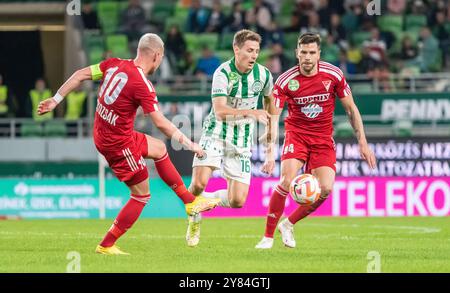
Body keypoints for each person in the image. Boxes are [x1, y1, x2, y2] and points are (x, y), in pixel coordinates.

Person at [37, 33, 220, 255]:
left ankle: (190, 202)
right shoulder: (142, 83)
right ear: (156, 55)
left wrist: (55, 100)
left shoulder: (114, 65)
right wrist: (190, 143)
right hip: (117, 143)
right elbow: (160, 122)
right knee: (141, 195)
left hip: (108, 132)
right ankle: (106, 245)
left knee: (160, 149)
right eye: (160, 58)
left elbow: (79, 74)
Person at [255, 33, 376, 249]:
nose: (307, 57)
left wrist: (363, 142)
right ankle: (267, 237)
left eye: (312, 53)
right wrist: (269, 154)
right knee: (285, 181)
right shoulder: (285, 81)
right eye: (303, 52)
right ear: (297, 53)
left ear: (319, 53)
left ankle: (288, 224)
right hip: (297, 135)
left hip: (322, 139)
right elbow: (273, 119)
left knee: (326, 189)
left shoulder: (334, 75)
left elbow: (351, 109)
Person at [185, 29, 273, 247]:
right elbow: (220, 110)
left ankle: (207, 201)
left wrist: (271, 140)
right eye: (249, 50)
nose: (254, 55)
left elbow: (271, 108)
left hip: (242, 139)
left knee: (237, 201)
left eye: (257, 51)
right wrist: (253, 113)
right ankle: (194, 217)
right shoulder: (222, 73)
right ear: (237, 49)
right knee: (198, 183)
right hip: (216, 132)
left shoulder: (264, 75)